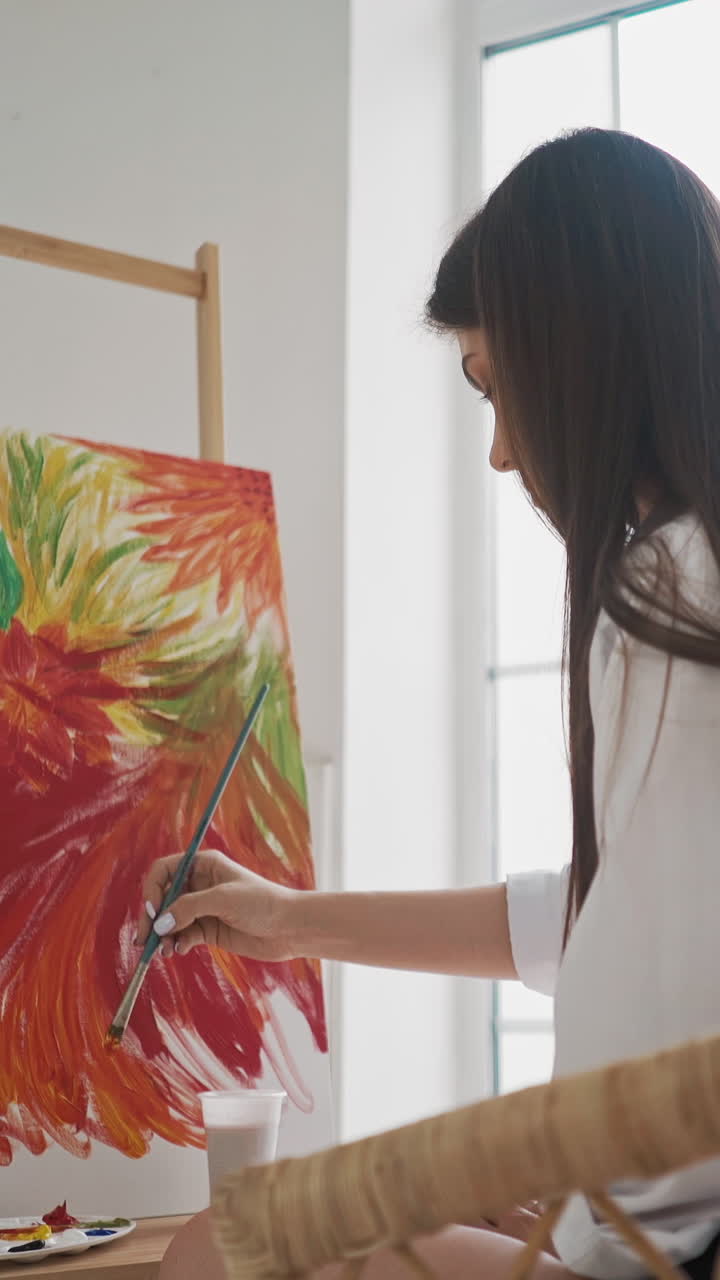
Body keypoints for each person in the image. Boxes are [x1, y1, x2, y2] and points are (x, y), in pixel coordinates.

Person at [141, 128, 720, 1280]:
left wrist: (556, 1174)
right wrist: (291, 919)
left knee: (227, 1241)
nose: (502, 451)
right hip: (637, 1219)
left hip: (664, 1243)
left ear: (587, 359)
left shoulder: (672, 587)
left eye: (501, 390)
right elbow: (612, 924)